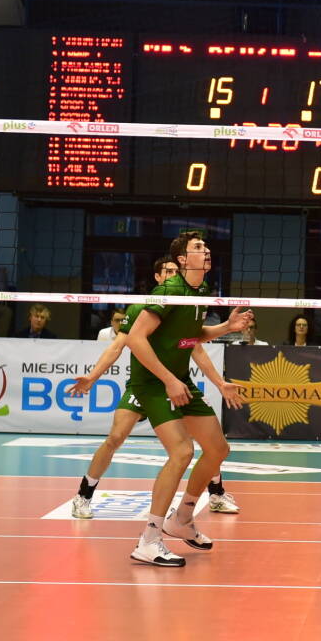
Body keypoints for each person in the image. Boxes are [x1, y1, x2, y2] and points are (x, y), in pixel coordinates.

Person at [69, 255, 242, 520]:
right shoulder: (142, 309)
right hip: (146, 386)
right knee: (116, 438)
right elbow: (117, 346)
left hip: (175, 386)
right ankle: (84, 495)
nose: (173, 276)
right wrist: (92, 377)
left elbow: (195, 347)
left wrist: (219, 383)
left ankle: (216, 493)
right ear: (158, 278)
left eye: (176, 272)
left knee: (202, 440)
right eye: (168, 272)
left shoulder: (186, 303)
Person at [124, 230, 253, 566]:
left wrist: (226, 328)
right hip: (153, 383)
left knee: (218, 449)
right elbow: (135, 339)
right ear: (182, 260)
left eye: (206, 246)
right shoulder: (168, 291)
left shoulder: (202, 291)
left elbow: (192, 337)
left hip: (179, 380)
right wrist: (168, 380)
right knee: (182, 452)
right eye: (198, 247)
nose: (206, 250)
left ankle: (181, 518)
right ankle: (149, 539)